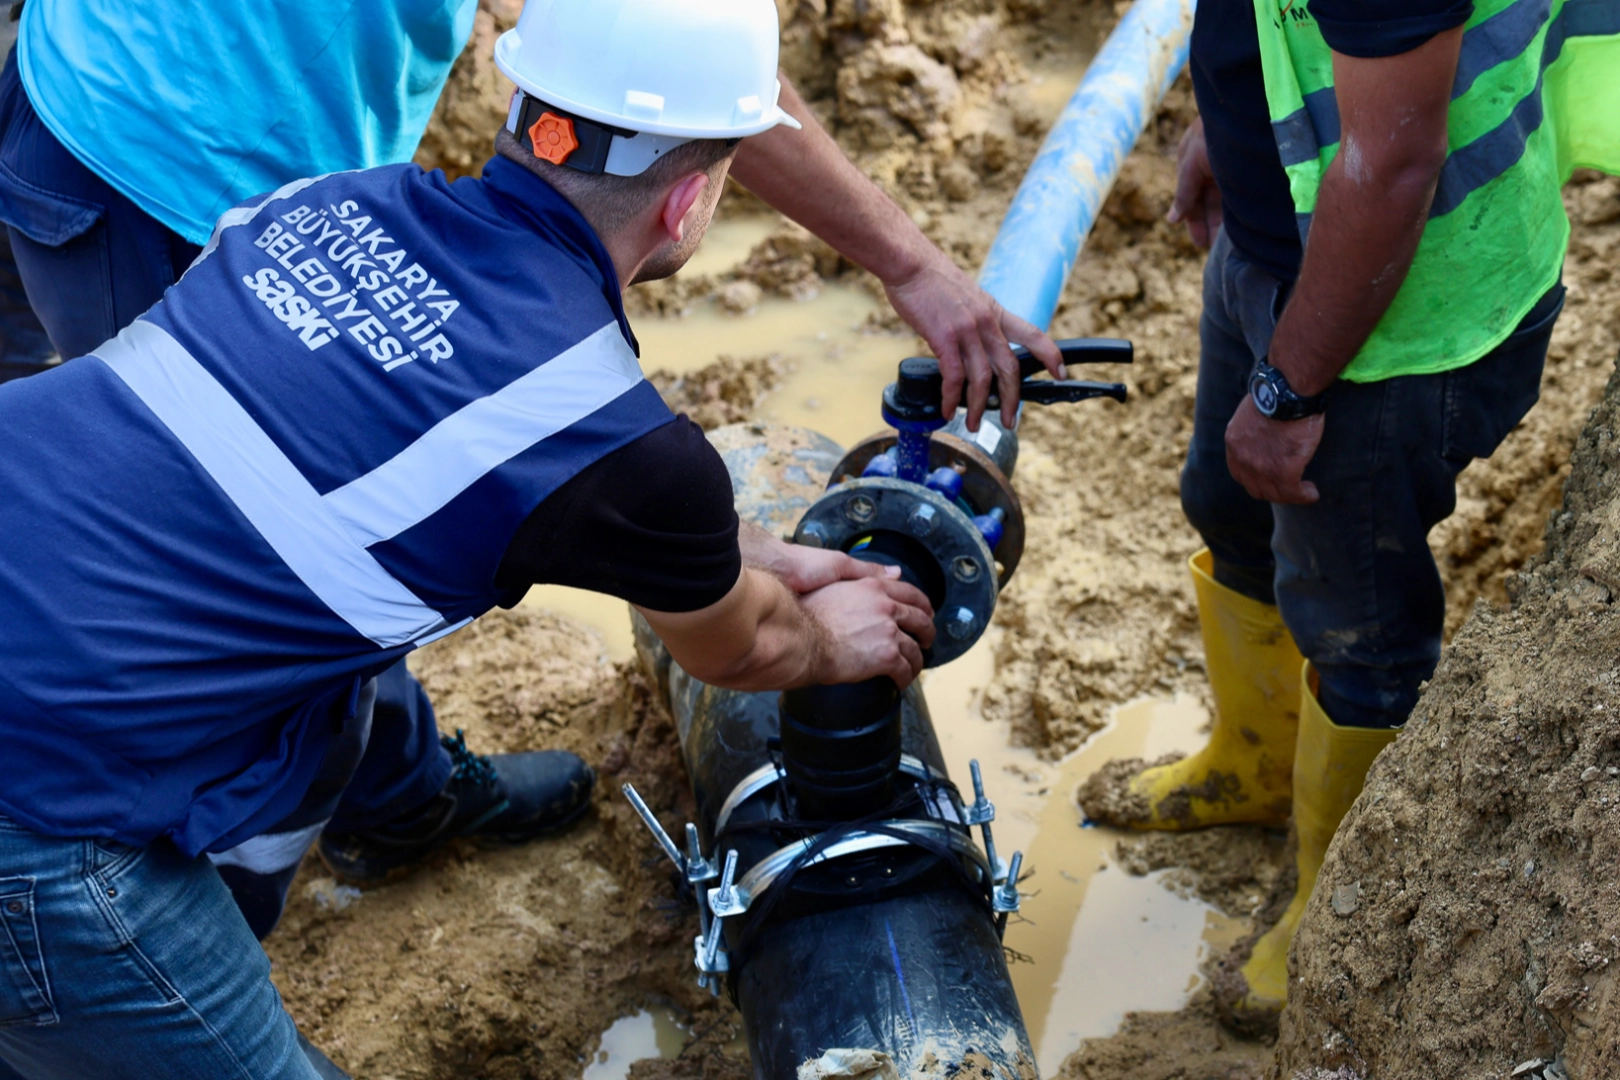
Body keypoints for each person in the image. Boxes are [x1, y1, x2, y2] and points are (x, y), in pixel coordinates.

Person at [0, 1, 949, 1075]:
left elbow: (437, 449)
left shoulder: (317, 203)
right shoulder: (611, 436)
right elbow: (740, 651)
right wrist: (834, 642)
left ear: (522, 108)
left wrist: (729, 555)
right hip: (35, 817)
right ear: (688, 205)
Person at [1083, 0, 1620, 1029]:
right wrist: (1231, 122)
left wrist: (1289, 390)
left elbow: (1394, 162)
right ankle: (1251, 760)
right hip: (1288, 230)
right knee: (1227, 502)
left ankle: (1337, 902)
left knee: (1358, 618)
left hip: (1397, 311)